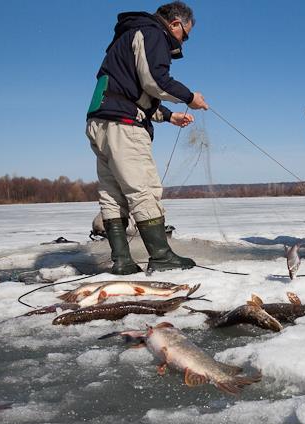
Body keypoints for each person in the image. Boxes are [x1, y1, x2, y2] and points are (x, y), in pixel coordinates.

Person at [86, 2, 208, 274]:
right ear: (175, 23)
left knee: (112, 194)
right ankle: (161, 256)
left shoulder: (128, 36)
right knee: (144, 190)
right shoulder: (153, 33)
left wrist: (168, 116)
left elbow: (129, 91)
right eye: (184, 35)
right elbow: (155, 80)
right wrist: (191, 98)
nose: (183, 42)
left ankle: (122, 260)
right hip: (124, 127)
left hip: (100, 122)